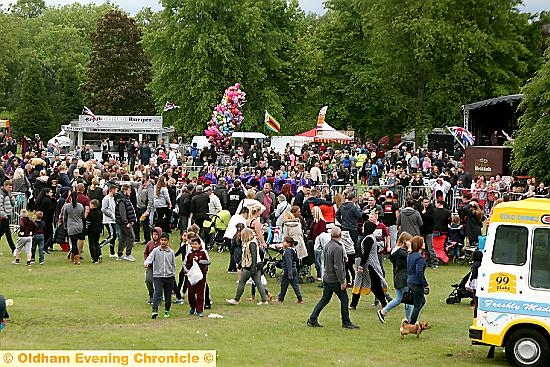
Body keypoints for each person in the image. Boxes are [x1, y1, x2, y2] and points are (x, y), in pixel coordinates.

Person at [307, 226, 359, 329]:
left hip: (327, 277)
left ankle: (313, 318)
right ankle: (346, 321)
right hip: (334, 279)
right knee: (344, 299)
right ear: (340, 236)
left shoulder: (328, 245)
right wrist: (342, 281)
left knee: (325, 299)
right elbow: (338, 267)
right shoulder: (338, 248)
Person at [349, 219, 388, 310]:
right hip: (368, 265)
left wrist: (361, 265)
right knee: (360, 283)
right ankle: (353, 304)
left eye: (363, 226)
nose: (362, 228)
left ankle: (384, 303)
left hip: (370, 265)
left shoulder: (369, 239)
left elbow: (366, 254)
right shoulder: (368, 238)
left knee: (374, 285)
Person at [226, 228, 269, 306]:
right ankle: (264, 300)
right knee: (258, 283)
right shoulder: (252, 242)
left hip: (250, 266)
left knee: (242, 282)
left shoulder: (251, 243)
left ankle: (236, 299)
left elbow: (253, 255)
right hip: (255, 266)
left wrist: (252, 267)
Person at [377, 232, 413, 324]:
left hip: (397, 277)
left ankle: (383, 311)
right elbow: (410, 260)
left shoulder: (395, 251)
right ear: (405, 242)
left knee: (399, 298)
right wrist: (409, 249)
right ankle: (409, 319)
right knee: (409, 299)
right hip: (404, 278)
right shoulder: (402, 252)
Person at [144, 232, 176, 319]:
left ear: (168, 241)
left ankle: (167, 310)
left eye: (165, 240)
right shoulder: (156, 251)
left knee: (168, 295)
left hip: (169, 276)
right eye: (162, 240)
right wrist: (146, 263)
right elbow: (149, 258)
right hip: (158, 276)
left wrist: (173, 275)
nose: (163, 242)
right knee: (157, 293)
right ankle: (154, 310)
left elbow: (173, 265)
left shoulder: (171, 252)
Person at [184, 237, 211, 317]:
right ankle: (193, 306)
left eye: (196, 244)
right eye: (192, 244)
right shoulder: (189, 253)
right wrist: (187, 272)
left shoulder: (203, 252)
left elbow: (208, 261)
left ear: (199, 245)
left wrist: (199, 261)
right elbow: (184, 264)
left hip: (201, 277)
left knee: (200, 294)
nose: (194, 246)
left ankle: (199, 310)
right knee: (191, 293)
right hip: (191, 277)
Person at [271, 237, 303, 304]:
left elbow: (289, 262)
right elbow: (295, 259)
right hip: (294, 269)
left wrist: (289, 272)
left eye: (284, 241)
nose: (283, 243)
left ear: (288, 243)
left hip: (288, 270)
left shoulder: (287, 251)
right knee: (295, 284)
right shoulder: (293, 250)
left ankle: (280, 298)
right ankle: (300, 299)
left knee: (284, 284)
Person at [407, 236, 429, 324]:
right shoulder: (419, 257)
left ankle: (412, 319)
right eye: (423, 242)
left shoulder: (410, 255)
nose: (424, 244)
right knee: (417, 305)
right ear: (420, 244)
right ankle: (412, 323)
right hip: (417, 283)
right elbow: (419, 272)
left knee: (421, 301)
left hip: (410, 281)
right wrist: (425, 284)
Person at [115, 184, 137, 261]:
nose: (130, 192)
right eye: (129, 190)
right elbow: (122, 213)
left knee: (123, 237)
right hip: (124, 223)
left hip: (125, 222)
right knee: (131, 236)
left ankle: (120, 254)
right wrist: (126, 222)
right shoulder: (122, 200)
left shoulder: (125, 199)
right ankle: (128, 254)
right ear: (125, 191)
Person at [63, 191, 85, 265]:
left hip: (71, 226)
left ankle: (76, 258)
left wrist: (65, 224)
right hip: (79, 225)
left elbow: (65, 217)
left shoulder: (67, 206)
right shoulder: (81, 206)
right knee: (78, 241)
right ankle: (73, 257)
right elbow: (82, 216)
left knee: (74, 243)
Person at [144, 227, 162, 305]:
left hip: (159, 267)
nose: (155, 236)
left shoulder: (162, 244)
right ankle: (151, 295)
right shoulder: (149, 243)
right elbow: (145, 252)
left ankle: (159, 297)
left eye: (156, 234)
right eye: (154, 234)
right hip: (150, 266)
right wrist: (146, 261)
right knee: (148, 280)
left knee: (159, 283)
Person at [100, 185, 118, 258]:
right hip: (108, 220)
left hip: (113, 220)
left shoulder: (112, 198)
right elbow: (103, 209)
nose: (116, 192)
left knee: (114, 236)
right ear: (112, 190)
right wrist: (111, 215)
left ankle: (112, 252)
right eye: (116, 190)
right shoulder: (106, 198)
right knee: (112, 236)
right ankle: (99, 246)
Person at [0, 180, 15, 254]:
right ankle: (14, 249)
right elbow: (0, 206)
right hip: (3, 217)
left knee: (1, 232)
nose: (10, 189)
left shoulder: (8, 194)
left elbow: (13, 203)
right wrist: (4, 215)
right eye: (9, 187)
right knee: (8, 233)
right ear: (5, 186)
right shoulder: (1, 194)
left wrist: (11, 196)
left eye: (11, 187)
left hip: (8, 215)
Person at [87, 199, 103, 264]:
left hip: (91, 230)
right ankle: (99, 254)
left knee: (92, 244)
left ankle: (95, 258)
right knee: (97, 242)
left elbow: (88, 222)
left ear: (92, 205)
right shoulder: (100, 212)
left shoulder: (90, 213)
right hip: (98, 230)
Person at [469, 250, 483, 317]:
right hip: (482, 280)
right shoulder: (483, 263)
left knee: (475, 295)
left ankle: (476, 310)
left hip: (476, 281)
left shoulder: (475, 264)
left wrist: (470, 280)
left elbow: (474, 274)